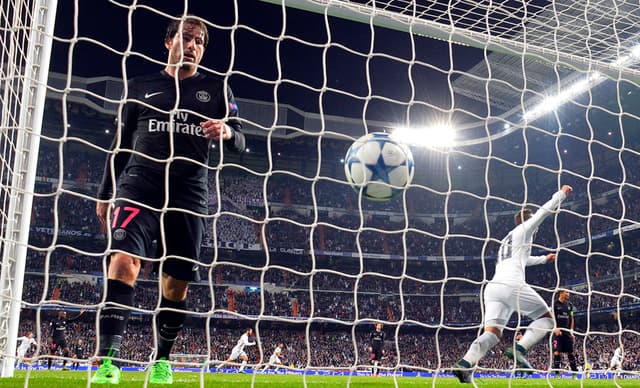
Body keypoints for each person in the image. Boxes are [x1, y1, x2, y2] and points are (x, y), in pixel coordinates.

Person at [91, 14, 246, 385]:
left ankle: (161, 360)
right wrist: (104, 193)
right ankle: (106, 364)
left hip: (188, 194)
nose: (193, 46)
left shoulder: (217, 89)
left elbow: (241, 141)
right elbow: (121, 145)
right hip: (138, 187)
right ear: (169, 42)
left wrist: (226, 130)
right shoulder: (141, 86)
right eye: (187, 38)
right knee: (124, 264)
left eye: (200, 42)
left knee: (175, 285)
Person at [452, 185, 572, 384]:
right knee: (548, 320)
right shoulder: (525, 229)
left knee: (492, 334)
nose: (536, 225)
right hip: (511, 285)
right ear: (527, 221)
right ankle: (520, 349)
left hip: (493, 288)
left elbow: (524, 259)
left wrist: (544, 259)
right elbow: (542, 213)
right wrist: (561, 194)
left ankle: (465, 364)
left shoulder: (508, 240)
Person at [552, 289, 578, 374]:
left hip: (567, 332)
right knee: (556, 353)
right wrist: (555, 327)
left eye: (569, 292)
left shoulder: (570, 305)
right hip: (557, 332)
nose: (568, 294)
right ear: (561, 293)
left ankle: (574, 373)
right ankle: (557, 374)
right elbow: (551, 317)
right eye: (566, 292)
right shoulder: (555, 304)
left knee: (570, 353)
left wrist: (571, 331)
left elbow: (571, 318)